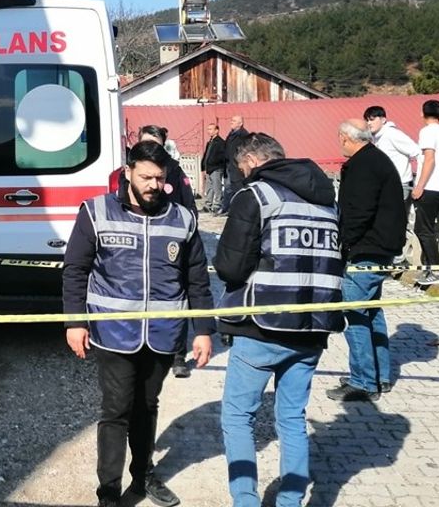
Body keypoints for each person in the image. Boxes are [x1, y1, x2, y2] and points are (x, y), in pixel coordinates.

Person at [62, 140, 215, 507]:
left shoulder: (182, 218)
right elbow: (75, 270)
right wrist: (74, 322)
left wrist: (205, 330)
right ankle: (109, 492)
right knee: (116, 410)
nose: (152, 185)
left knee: (147, 407)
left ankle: (143, 475)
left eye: (159, 179)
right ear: (128, 172)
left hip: (163, 335)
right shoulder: (96, 212)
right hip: (113, 334)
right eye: (145, 176)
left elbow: (197, 278)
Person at [213, 133, 345, 507]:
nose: (242, 176)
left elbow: (230, 265)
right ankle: (289, 501)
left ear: (253, 160)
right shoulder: (326, 203)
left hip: (262, 326)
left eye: (241, 169)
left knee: (239, 418)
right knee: (291, 418)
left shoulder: (256, 197)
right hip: (313, 328)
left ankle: (246, 501)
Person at [325, 119, 405, 402]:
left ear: (347, 138)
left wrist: (344, 245)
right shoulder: (376, 159)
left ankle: (363, 382)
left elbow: (358, 212)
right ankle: (380, 375)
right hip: (381, 248)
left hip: (365, 250)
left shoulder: (363, 165)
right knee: (373, 313)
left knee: (356, 315)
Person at [136, 125, 199, 378]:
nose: (150, 148)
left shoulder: (174, 170)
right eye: (145, 142)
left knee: (176, 297)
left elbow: (189, 207)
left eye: (154, 142)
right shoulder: (129, 171)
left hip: (171, 244)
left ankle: (178, 354)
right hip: (142, 243)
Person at [412, 99, 439, 286]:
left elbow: (429, 159)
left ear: (423, 113)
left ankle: (436, 270)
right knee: (427, 229)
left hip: (430, 187)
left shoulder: (427, 132)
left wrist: (419, 185)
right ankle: (430, 269)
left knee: (423, 229)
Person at [363, 105, 421, 204]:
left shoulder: (392, 134)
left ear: (383, 120)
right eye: (367, 120)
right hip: (386, 185)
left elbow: (418, 152)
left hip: (398, 185)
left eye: (372, 119)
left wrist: (419, 183)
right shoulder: (378, 138)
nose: (369, 123)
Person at [220, 115, 249, 213]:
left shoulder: (243, 135)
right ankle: (227, 208)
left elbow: (245, 150)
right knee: (228, 188)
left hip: (237, 166)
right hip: (229, 165)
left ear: (240, 123)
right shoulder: (231, 134)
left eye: (234, 121)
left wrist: (241, 163)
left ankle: (239, 209)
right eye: (231, 120)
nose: (231, 122)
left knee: (238, 187)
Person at [201, 122, 226, 213]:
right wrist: (203, 166)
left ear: (217, 130)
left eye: (211, 129)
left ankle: (217, 205)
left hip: (216, 168)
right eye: (208, 129)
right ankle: (208, 205)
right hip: (209, 168)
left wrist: (214, 163)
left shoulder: (220, 142)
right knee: (209, 187)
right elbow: (206, 155)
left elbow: (222, 156)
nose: (209, 131)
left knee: (217, 187)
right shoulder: (210, 142)